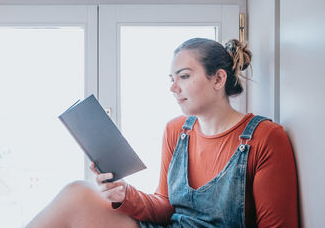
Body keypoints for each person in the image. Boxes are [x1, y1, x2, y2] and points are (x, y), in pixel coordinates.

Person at [26, 38, 299, 228]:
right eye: (172, 79)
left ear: (218, 79)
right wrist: (124, 193)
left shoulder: (266, 137)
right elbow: (165, 207)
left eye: (184, 76)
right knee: (77, 193)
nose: (173, 88)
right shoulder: (176, 130)